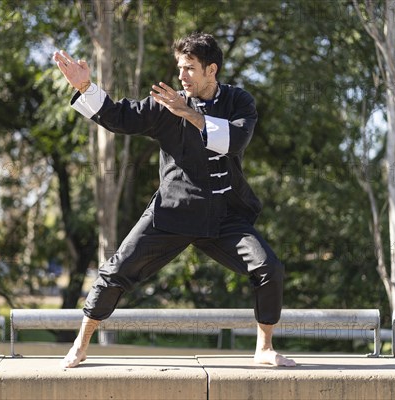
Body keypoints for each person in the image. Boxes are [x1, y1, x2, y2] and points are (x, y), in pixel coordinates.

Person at [52, 33, 296, 368]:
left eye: (190, 68)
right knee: (116, 270)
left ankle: (264, 348)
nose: (181, 76)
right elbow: (121, 116)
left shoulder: (240, 101)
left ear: (212, 70)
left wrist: (189, 114)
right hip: (172, 213)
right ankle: (81, 343)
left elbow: (234, 142)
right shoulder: (167, 104)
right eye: (180, 68)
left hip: (225, 216)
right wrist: (85, 87)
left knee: (269, 267)